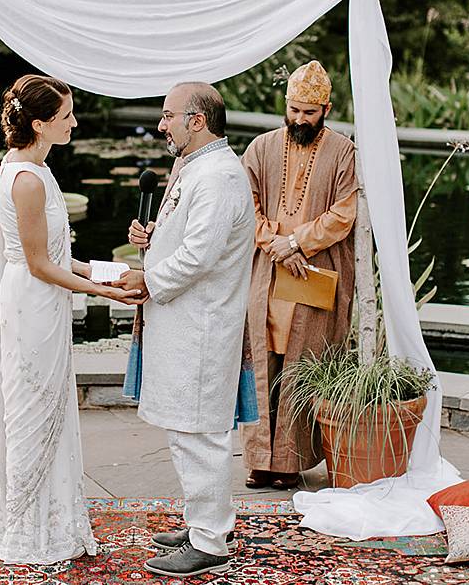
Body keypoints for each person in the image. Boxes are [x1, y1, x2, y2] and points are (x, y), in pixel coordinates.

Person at [0, 74, 143, 565]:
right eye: (66, 116)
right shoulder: (26, 179)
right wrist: (104, 292)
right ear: (39, 123)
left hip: (45, 297)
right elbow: (39, 264)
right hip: (31, 300)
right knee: (31, 408)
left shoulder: (36, 168)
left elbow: (59, 255)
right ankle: (29, 530)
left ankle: (54, 522)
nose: (74, 122)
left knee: (50, 405)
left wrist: (109, 272)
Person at [115, 82, 255, 578]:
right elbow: (189, 238)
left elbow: (200, 256)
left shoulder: (218, 176)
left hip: (202, 324)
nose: (161, 125)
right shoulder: (197, 167)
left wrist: (146, 278)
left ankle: (210, 541)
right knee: (185, 427)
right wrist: (151, 239)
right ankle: (205, 521)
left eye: (168, 116)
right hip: (183, 321)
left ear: (197, 120)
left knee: (200, 432)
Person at [239, 59, 359, 490]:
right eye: (293, 110)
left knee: (301, 362)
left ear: (326, 108)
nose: (299, 119)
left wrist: (299, 243)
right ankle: (259, 458)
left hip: (314, 273)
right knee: (261, 361)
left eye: (309, 112)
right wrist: (276, 244)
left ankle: (288, 464)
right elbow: (244, 206)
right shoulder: (261, 147)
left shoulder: (343, 151)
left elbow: (344, 213)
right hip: (268, 276)